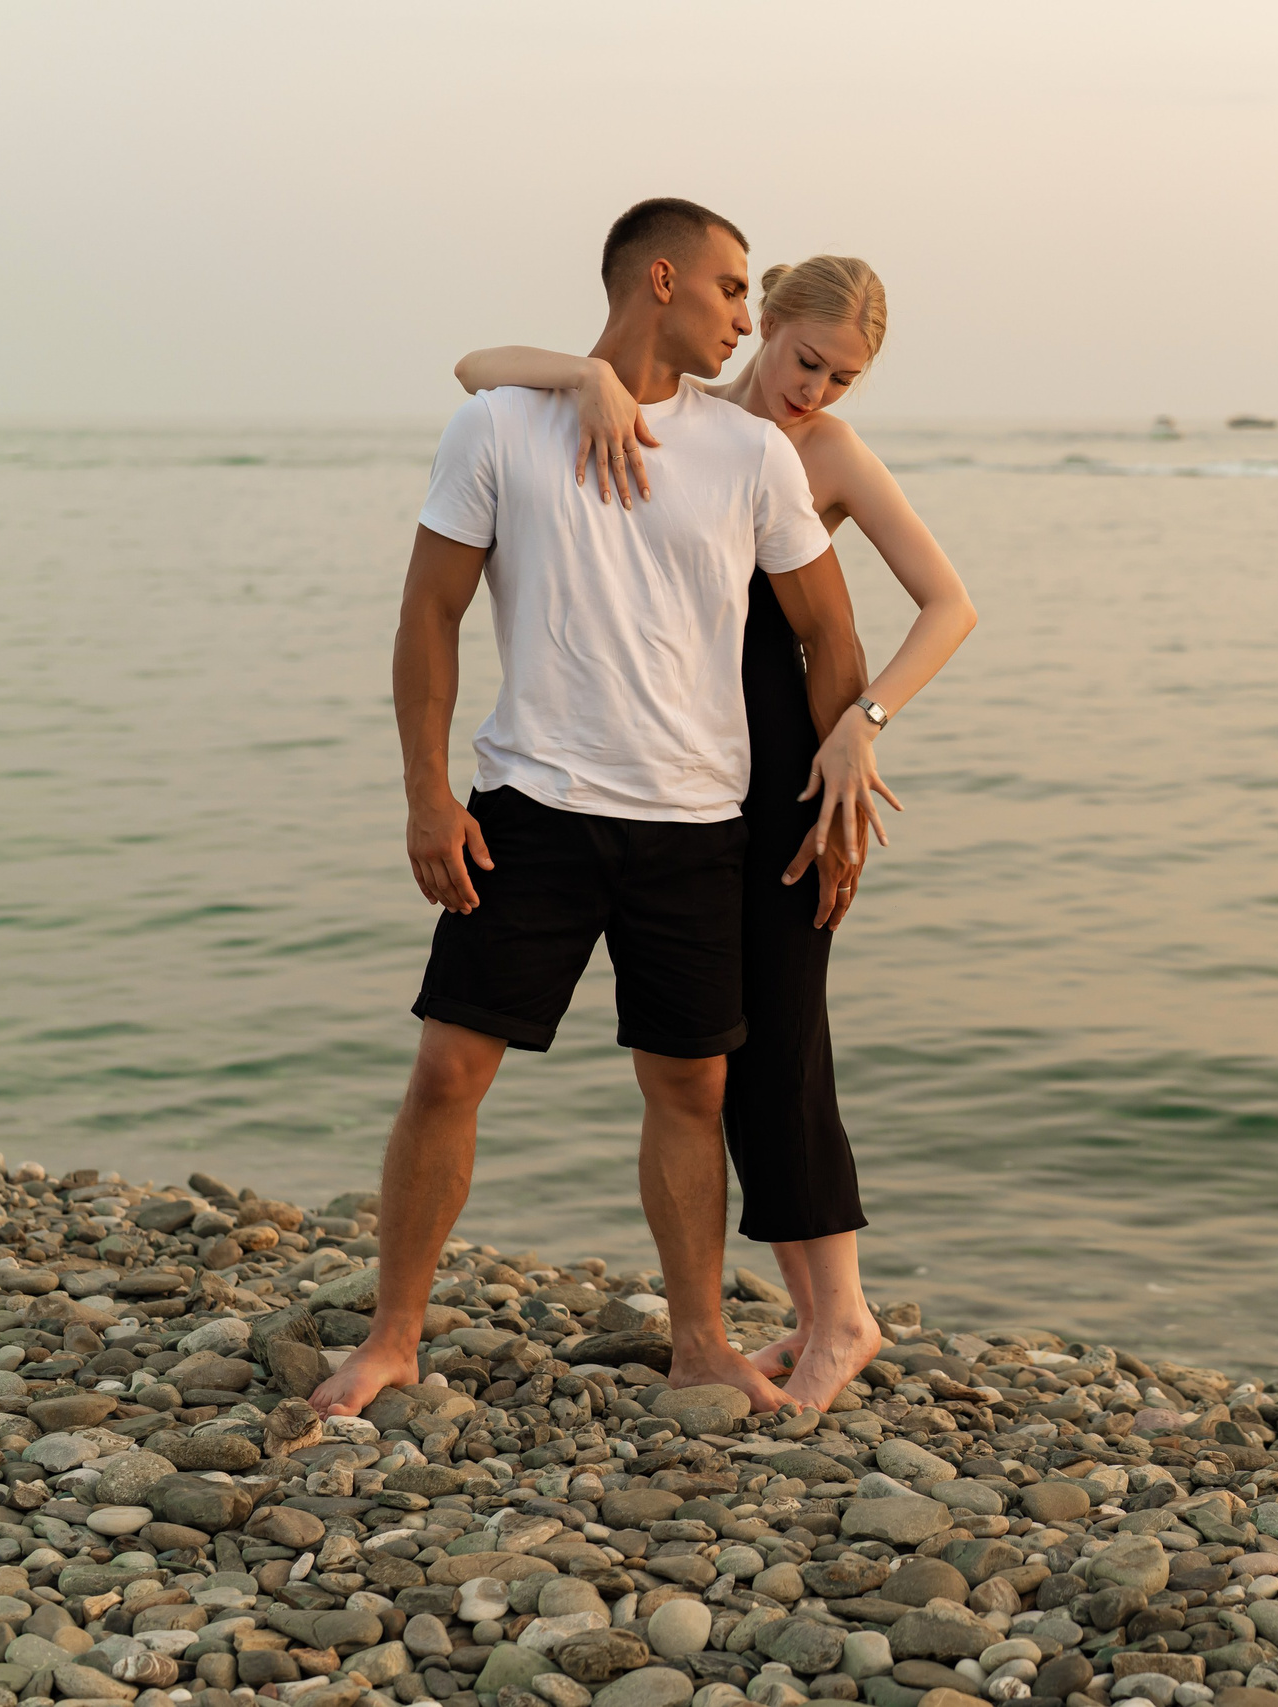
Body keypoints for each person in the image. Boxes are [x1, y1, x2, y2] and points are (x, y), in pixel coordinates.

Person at [311, 198, 899, 1420]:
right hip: (529, 803)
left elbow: (830, 633)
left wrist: (834, 806)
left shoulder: (751, 457)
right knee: (447, 1071)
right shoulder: (500, 425)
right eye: (736, 291)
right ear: (666, 281)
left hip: (696, 824)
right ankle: (393, 1339)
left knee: (691, 1090)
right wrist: (427, 792)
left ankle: (698, 1342)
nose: (747, 315)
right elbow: (429, 616)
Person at [451, 255, 976, 1411]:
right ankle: (813, 1308)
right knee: (721, 1053)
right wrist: (589, 375)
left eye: (843, 377)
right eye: (804, 361)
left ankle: (841, 1315)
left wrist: (863, 728)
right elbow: (476, 368)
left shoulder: (822, 455)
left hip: (794, 769)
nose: (818, 391)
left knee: (784, 1038)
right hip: (687, 771)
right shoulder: (666, 414)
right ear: (762, 324)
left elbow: (951, 603)